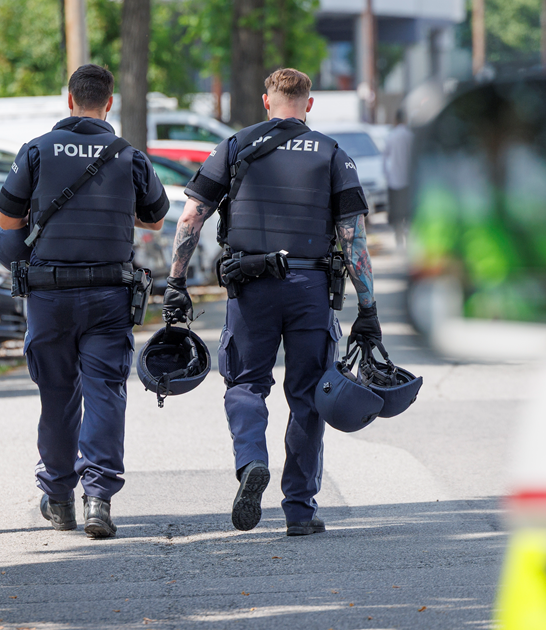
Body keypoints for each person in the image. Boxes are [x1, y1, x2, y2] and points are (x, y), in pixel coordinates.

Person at [163, 68, 380, 536]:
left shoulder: (234, 146)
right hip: (310, 288)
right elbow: (353, 239)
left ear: (267, 102)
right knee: (308, 395)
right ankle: (299, 509)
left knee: (245, 384)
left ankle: (251, 462)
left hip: (251, 287)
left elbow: (191, 217)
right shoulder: (332, 154)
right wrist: (368, 308)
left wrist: (175, 281)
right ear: (309, 103)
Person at [0, 64, 169, 539]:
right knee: (105, 393)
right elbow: (155, 220)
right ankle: (99, 500)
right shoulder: (129, 155)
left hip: (49, 296)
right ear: (108, 103)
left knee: (57, 396)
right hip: (109, 297)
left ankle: (59, 498)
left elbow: (7, 225)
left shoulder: (36, 150)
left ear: (69, 99)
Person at [383, 108, 414, 247]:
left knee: (396, 213)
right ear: (405, 119)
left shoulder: (391, 136)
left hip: (394, 180)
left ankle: (399, 240)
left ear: (395, 120)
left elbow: (385, 159)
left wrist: (387, 175)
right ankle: (410, 238)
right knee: (409, 212)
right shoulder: (411, 136)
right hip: (409, 180)